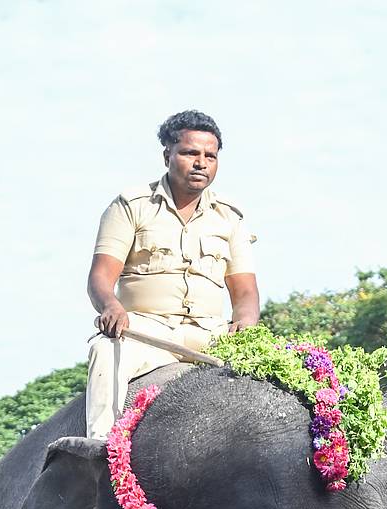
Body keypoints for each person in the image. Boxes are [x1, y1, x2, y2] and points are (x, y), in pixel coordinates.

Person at [86, 110, 260, 438]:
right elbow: (100, 277)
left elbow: (246, 292)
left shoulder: (230, 218)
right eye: (190, 153)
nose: (201, 162)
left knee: (277, 374)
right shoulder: (131, 206)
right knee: (105, 351)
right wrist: (111, 306)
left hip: (212, 335)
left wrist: (246, 325)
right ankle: (99, 450)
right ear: (168, 154)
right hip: (145, 331)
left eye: (210, 155)